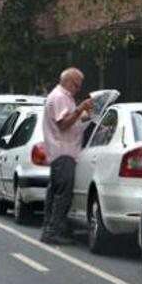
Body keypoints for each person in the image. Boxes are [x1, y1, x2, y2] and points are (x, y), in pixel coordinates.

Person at [40, 67, 94, 245]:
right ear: (69, 82)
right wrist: (79, 109)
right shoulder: (60, 97)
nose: (78, 89)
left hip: (62, 152)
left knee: (55, 193)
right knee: (63, 195)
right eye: (77, 86)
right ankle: (53, 230)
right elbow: (63, 124)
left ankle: (50, 228)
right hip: (64, 152)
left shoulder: (63, 97)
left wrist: (88, 114)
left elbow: (74, 120)